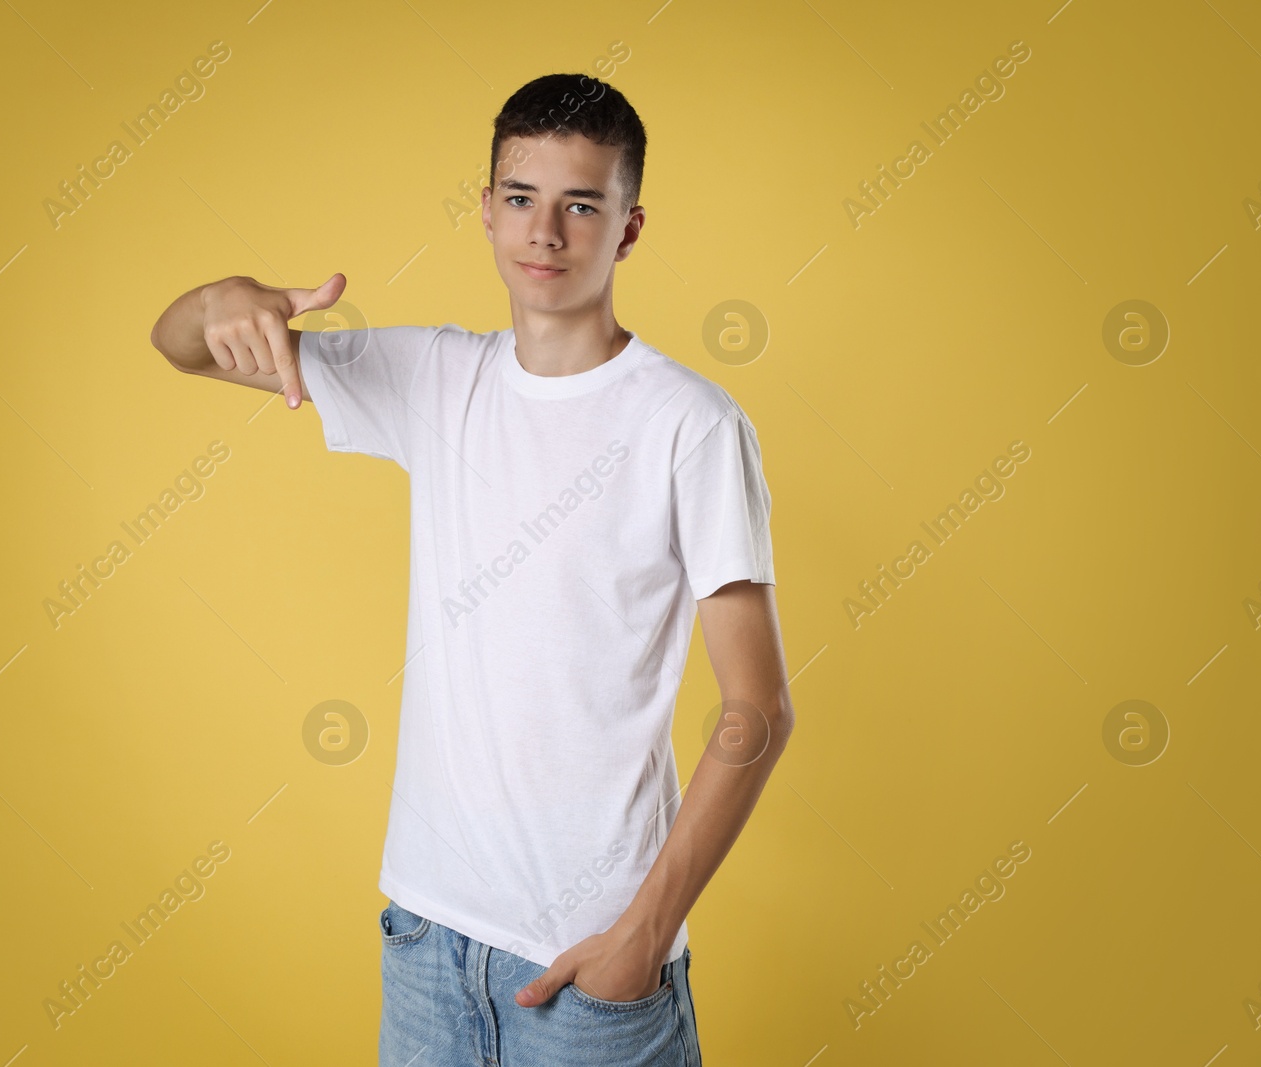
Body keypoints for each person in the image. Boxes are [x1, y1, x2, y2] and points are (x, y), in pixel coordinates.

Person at [150, 71, 793, 1067]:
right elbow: (182, 347)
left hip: (594, 966)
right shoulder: (435, 376)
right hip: (425, 944)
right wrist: (223, 297)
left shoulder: (690, 424)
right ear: (486, 211)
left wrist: (642, 936)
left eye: (582, 204)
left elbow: (757, 709)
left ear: (626, 227)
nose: (546, 232)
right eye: (522, 199)